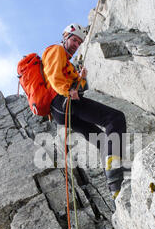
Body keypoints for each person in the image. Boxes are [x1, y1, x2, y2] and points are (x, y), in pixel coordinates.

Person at [42, 23, 126, 200]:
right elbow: (53, 75)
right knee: (115, 118)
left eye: (79, 42)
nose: (76, 44)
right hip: (62, 102)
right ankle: (115, 162)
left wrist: (82, 79)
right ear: (65, 37)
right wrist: (67, 91)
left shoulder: (68, 63)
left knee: (101, 139)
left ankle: (115, 187)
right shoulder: (56, 50)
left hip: (61, 110)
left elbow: (78, 87)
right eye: (74, 40)